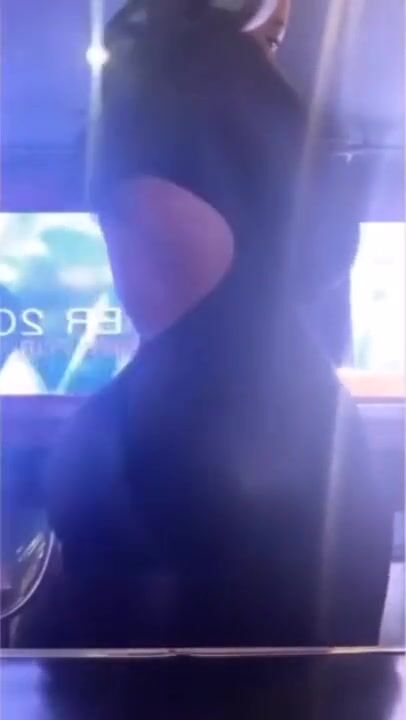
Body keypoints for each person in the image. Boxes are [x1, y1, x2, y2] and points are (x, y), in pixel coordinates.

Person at [31, 2, 391, 648]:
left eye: (130, 223)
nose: (123, 259)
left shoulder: (223, 404)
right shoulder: (261, 380)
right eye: (114, 225)